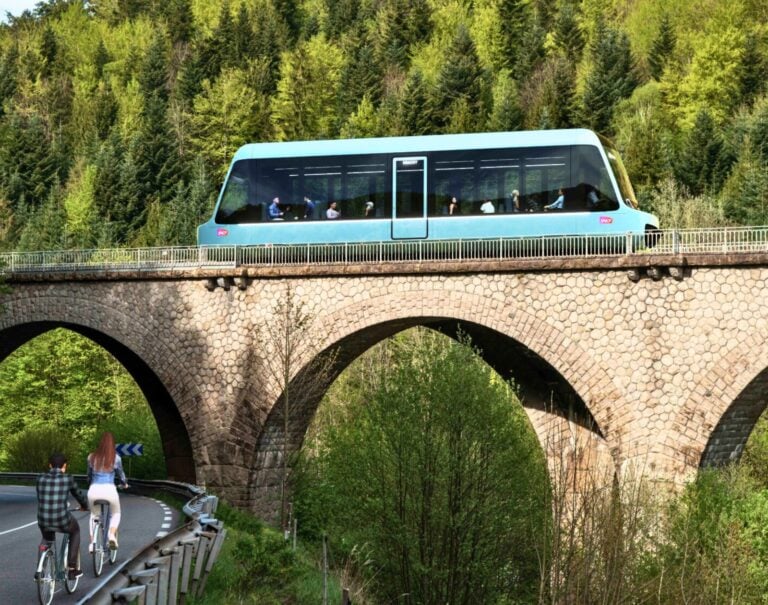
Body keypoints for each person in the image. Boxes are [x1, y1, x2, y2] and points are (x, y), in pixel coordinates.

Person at [36, 452, 88, 581]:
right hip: (61, 519)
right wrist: (84, 506)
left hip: (43, 519)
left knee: (47, 539)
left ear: (50, 465)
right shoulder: (68, 478)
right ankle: (72, 569)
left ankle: (40, 570)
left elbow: (41, 497)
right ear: (65, 466)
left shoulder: (40, 478)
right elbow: (79, 495)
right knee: (75, 531)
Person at [87, 432, 128, 551]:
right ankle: (111, 535)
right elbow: (121, 475)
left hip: (94, 490)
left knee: (94, 515)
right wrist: (124, 484)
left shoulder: (91, 457)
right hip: (109, 490)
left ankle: (92, 543)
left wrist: (90, 483)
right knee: (116, 513)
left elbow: (88, 475)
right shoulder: (116, 458)